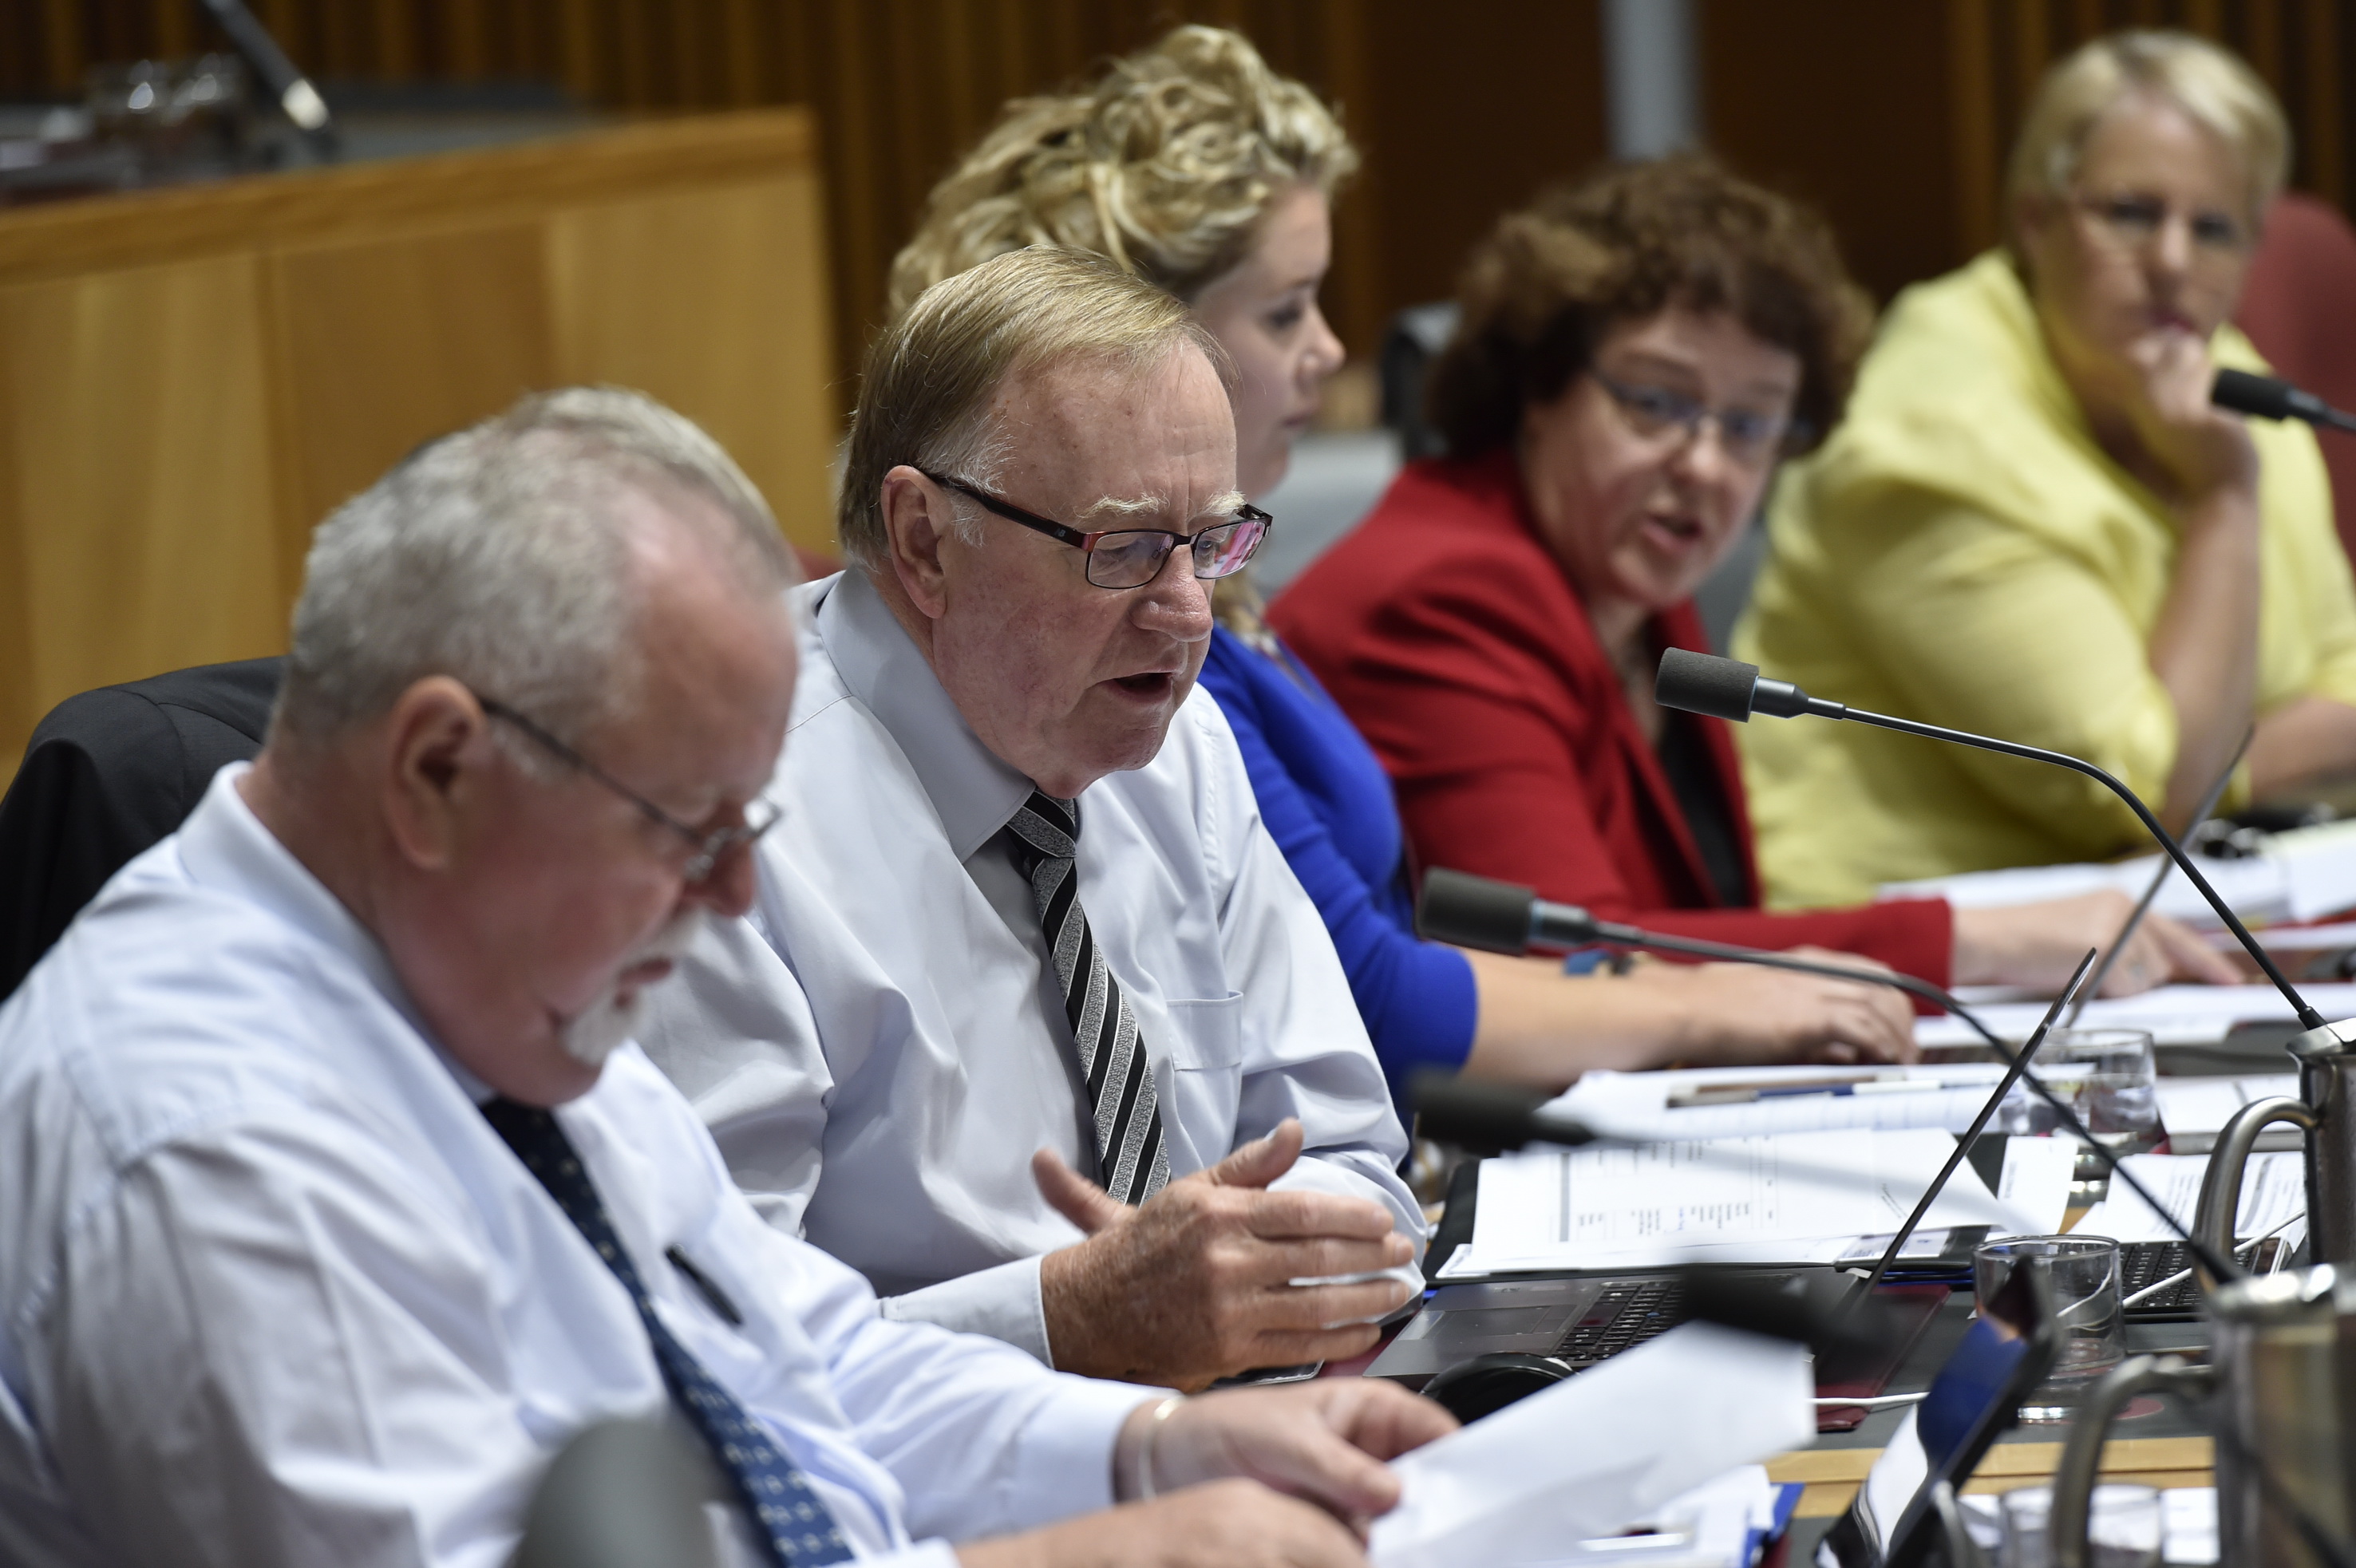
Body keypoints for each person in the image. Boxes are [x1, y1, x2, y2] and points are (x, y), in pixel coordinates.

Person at [0, 387, 1454, 1568]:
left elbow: (794, 1364)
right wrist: (1090, 1556)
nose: (734, 896)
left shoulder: (484, 996)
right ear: (438, 770)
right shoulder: (212, 1144)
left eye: (745, 826)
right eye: (686, 831)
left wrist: (1149, 1453)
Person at [879, 23, 1915, 1101]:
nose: (1331, 350)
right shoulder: (1153, 654)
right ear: (1138, 332)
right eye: (1286, 311)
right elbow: (1370, 993)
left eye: (1751, 424)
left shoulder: (1221, 594)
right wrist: (1744, 997)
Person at [638, 246, 1421, 1393]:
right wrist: (1061, 1323)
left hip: (1256, 1451)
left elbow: (1355, 1157)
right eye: (1127, 550)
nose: (1188, 613)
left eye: (1211, 542)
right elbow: (714, 1352)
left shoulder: (1180, 750)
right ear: (922, 540)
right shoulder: (714, 822)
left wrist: (1267, 1274)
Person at [1273, 155, 2234, 1000]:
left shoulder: (1634, 592)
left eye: (1751, 424)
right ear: (1539, 384)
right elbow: (1584, 966)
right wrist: (1975, 943)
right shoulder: (1445, 591)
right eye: (1656, 402)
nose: (1704, 465)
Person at [1739, 32, 2356, 907]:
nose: (2174, 263)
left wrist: (2216, 753)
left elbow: (2343, 670)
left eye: (2214, 228)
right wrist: (2224, 501)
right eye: (2131, 214)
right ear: (2034, 220)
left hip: (2193, 935)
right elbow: (2145, 801)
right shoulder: (1926, 440)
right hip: (1912, 988)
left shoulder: (2219, 375)